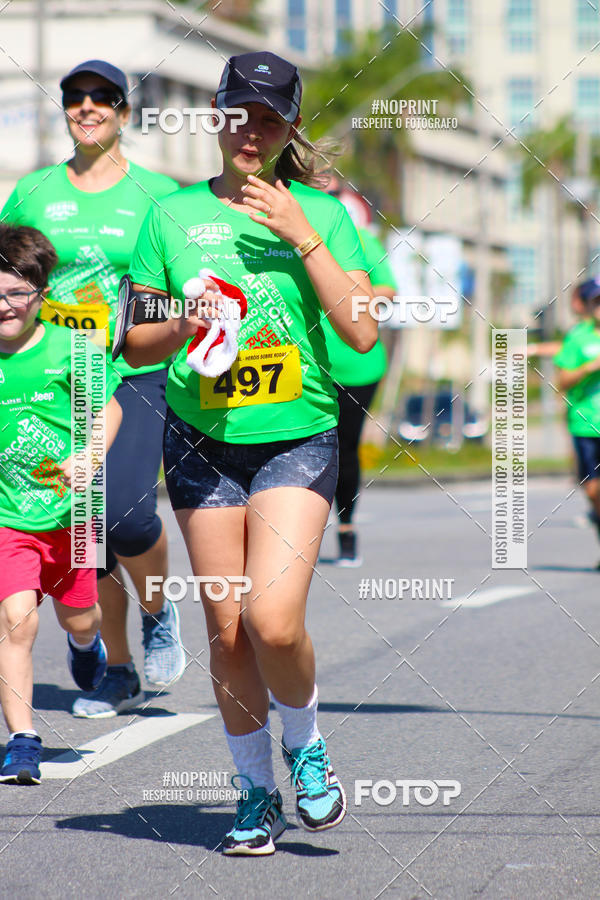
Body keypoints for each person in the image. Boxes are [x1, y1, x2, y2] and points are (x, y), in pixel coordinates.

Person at [120, 51, 377, 854]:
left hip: (295, 437)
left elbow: (361, 330)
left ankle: (304, 744)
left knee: (272, 620)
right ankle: (255, 794)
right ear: (216, 115)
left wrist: (304, 236)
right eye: (241, 113)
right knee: (228, 630)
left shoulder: (323, 216)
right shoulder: (169, 216)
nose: (253, 131)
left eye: (271, 118)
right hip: (200, 442)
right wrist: (185, 324)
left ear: (290, 127)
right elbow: (133, 343)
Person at [1, 60, 184, 718]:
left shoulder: (157, 194)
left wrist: (150, 326)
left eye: (102, 97)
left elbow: (179, 286)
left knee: (127, 515)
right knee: (84, 522)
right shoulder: (34, 191)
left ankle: (160, 612)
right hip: (58, 375)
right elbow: (9, 272)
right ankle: (117, 665)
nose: (87, 107)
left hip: (131, 372)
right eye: (75, 97)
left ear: (124, 113)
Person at [0, 223, 122, 783]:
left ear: (41, 294)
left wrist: (90, 456)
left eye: (17, 292)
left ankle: (87, 642)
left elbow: (109, 410)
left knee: (79, 613)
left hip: (76, 513)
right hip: (9, 517)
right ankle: (23, 739)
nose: (6, 305)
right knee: (16, 623)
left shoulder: (74, 349)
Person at [323, 176, 396, 565]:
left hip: (358, 365)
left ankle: (347, 527)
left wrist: (343, 289)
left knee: (343, 446)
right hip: (306, 362)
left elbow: (388, 290)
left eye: (332, 194)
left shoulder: (362, 240)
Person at [554, 278, 600, 549]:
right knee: (593, 491)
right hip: (585, 424)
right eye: (596, 302)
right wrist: (589, 367)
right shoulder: (577, 337)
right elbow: (562, 381)